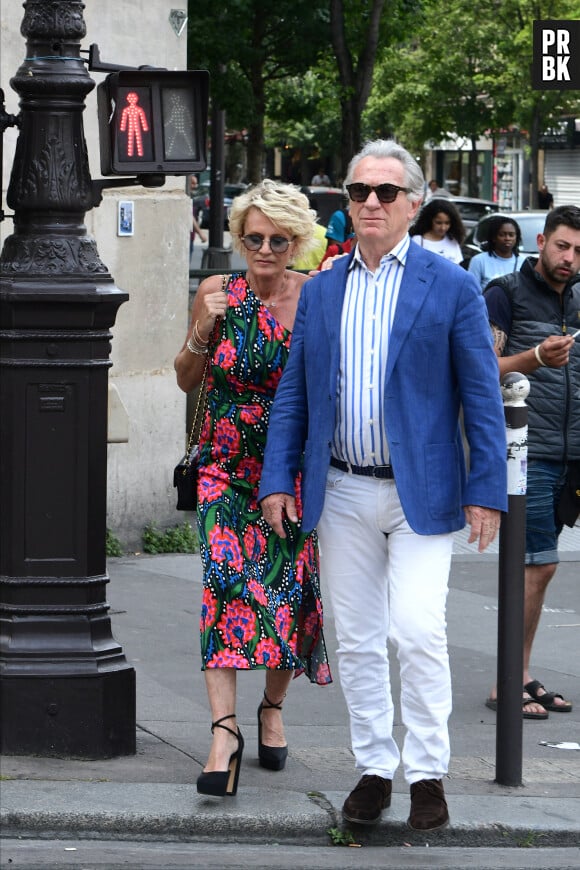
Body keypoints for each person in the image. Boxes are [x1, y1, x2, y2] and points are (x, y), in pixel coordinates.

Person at [259, 139, 507, 832]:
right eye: (359, 192)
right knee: (359, 638)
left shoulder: (451, 285)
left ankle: (428, 773)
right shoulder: (324, 287)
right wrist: (280, 478)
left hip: (422, 492)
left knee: (418, 629)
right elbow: (295, 396)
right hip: (338, 490)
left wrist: (486, 488)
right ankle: (375, 767)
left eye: (386, 193)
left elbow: (481, 397)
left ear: (414, 204)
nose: (370, 202)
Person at [174, 179, 331, 798]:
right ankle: (224, 733)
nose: (265, 249)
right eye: (254, 237)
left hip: (288, 472)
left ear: (298, 242)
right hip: (222, 470)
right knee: (224, 587)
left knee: (283, 598)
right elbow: (186, 379)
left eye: (278, 239)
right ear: (239, 239)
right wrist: (201, 334)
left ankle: (271, 707)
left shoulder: (317, 299)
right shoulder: (216, 293)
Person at [483, 205, 580, 719]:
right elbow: (479, 365)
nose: (569, 258)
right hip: (525, 450)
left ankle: (517, 672)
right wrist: (536, 358)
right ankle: (508, 678)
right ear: (541, 241)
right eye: (562, 246)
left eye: (579, 251)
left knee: (540, 568)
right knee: (536, 563)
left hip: (571, 450)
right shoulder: (505, 293)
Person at [468, 216, 527, 289]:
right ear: (494, 238)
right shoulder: (479, 261)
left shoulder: (524, 262)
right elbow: (472, 291)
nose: (507, 238)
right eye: (502, 235)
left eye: (511, 235)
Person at [410, 198, 466, 264]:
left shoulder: (453, 241)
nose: (443, 228)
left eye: (447, 223)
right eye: (438, 223)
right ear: (430, 220)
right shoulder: (418, 240)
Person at [188, 175, 207, 257]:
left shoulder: (192, 197)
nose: (195, 186)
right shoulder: (186, 198)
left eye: (196, 184)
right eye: (192, 183)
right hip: (187, 238)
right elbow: (189, 216)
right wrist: (200, 233)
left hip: (191, 237)